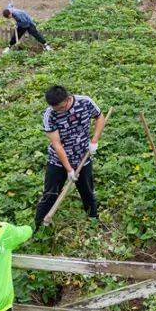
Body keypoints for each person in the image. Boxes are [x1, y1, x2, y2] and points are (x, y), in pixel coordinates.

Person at [34, 85, 104, 227]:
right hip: (58, 161)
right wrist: (69, 169)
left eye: (60, 108)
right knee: (50, 193)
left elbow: (99, 117)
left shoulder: (85, 102)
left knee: (87, 191)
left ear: (67, 99)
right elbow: (57, 144)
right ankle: (39, 225)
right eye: (54, 108)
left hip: (83, 156)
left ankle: (93, 219)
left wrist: (94, 141)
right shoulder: (50, 115)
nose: (57, 111)